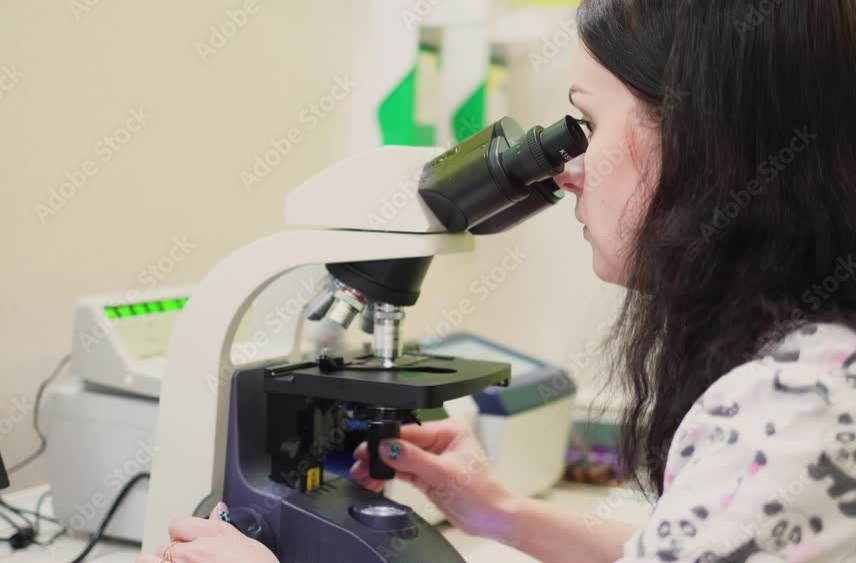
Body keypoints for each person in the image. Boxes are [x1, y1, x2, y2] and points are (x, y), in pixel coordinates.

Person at [140, 0, 856, 561]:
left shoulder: (791, 409)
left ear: (697, 139)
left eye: (588, 123)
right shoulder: (808, 367)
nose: (567, 171)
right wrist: (501, 514)